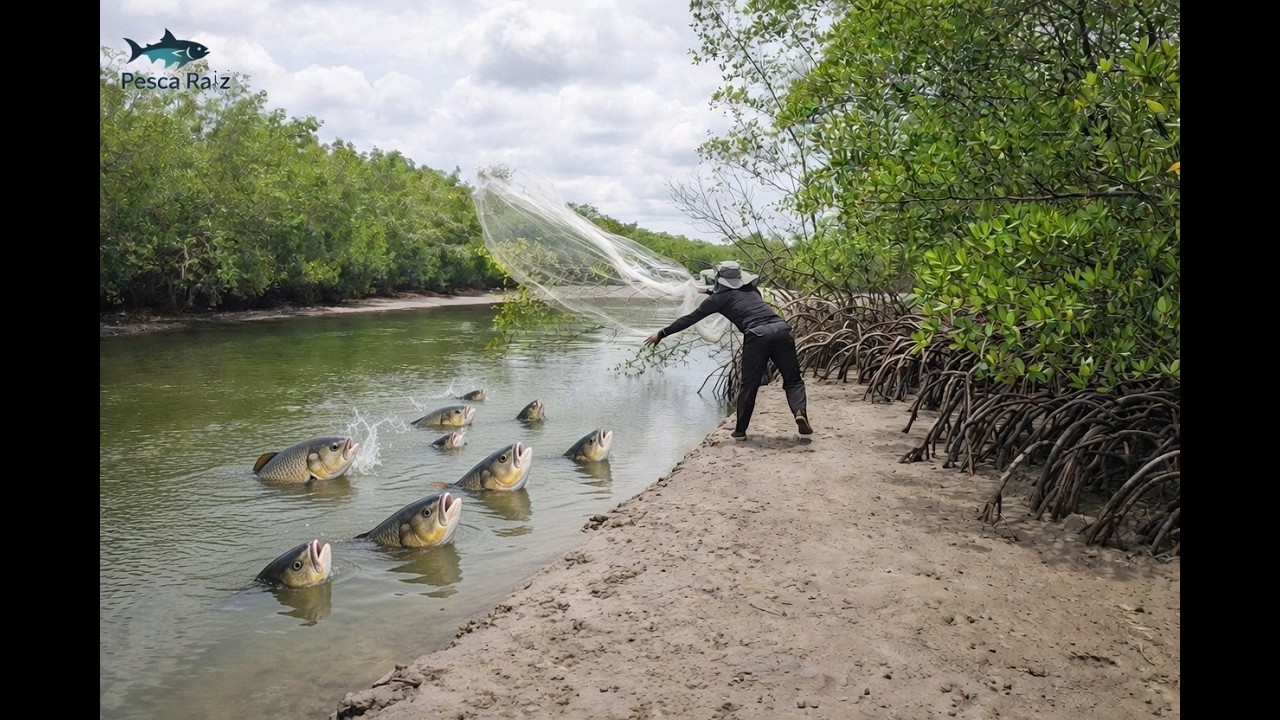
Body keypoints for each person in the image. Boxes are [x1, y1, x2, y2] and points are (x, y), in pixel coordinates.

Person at [644, 261, 813, 441]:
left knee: (749, 384)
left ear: (718, 279)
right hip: (781, 329)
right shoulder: (753, 291)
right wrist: (708, 292)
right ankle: (799, 411)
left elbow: (690, 319)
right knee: (793, 379)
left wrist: (662, 333)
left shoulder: (718, 300)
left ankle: (740, 431)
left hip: (757, 335)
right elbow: (736, 296)